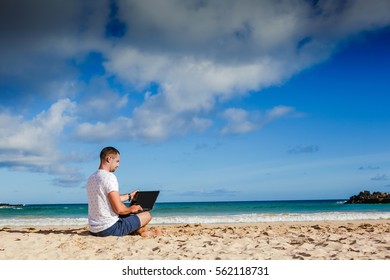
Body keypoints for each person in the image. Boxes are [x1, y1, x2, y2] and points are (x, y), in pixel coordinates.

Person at [86, 146, 159, 237]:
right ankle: (142, 232)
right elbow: (119, 209)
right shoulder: (109, 177)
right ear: (109, 159)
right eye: (117, 161)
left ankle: (141, 232)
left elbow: (108, 199)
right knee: (146, 215)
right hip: (109, 229)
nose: (118, 165)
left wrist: (129, 196)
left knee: (128, 217)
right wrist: (132, 209)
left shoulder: (92, 178)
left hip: (94, 229)